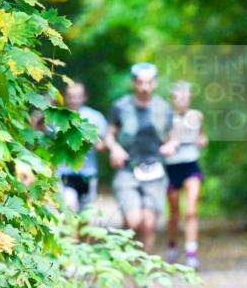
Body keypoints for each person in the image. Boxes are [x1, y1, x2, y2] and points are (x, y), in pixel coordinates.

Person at [104, 62, 174, 252]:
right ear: (133, 83)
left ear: (155, 83)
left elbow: (172, 136)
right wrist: (114, 148)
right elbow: (109, 134)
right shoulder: (121, 106)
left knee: (149, 224)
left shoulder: (164, 108)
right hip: (128, 169)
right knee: (134, 221)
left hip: (155, 170)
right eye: (140, 83)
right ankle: (124, 256)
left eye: (149, 83)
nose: (144, 87)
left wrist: (171, 144)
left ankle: (144, 272)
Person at [162, 81, 208, 268]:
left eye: (185, 98)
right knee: (174, 213)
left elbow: (203, 135)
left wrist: (202, 140)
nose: (182, 102)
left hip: (191, 166)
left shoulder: (197, 116)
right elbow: (162, 141)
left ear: (190, 99)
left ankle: (191, 252)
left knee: (191, 210)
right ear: (172, 100)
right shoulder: (166, 118)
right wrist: (170, 142)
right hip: (172, 168)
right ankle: (172, 247)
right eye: (178, 98)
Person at [57, 81, 107, 213]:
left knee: (86, 217)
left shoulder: (96, 117)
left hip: (88, 174)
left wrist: (88, 141)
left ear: (85, 97)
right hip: (65, 173)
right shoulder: (56, 116)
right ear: (64, 97)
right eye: (71, 96)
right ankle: (70, 234)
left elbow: (103, 145)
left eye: (78, 96)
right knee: (70, 210)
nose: (74, 100)